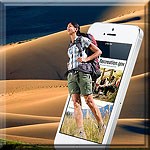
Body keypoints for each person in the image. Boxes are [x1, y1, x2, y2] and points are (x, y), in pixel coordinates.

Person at [66, 22, 106, 139]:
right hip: (71, 75)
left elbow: (98, 51)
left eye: (70, 26)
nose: (68, 28)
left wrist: (86, 59)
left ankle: (101, 126)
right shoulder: (70, 44)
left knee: (89, 101)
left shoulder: (82, 40)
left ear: (76, 29)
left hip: (82, 73)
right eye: (67, 26)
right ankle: (80, 132)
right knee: (75, 103)